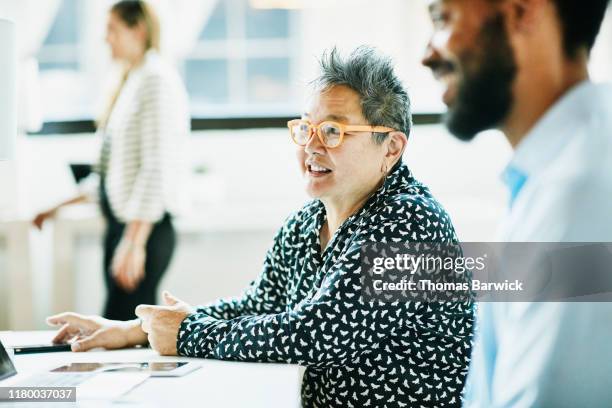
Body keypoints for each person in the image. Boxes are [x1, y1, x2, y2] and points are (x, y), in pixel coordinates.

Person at [47, 47, 474, 407]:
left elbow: (314, 334)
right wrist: (138, 330)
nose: (311, 145)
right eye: (306, 128)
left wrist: (186, 333)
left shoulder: (412, 223)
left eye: (332, 131)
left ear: (391, 147)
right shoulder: (307, 221)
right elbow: (258, 304)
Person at [422, 0, 612, 406]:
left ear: (523, 10)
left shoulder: (576, 197)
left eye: (442, 18)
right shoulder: (554, 174)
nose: (428, 55)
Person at [33, 0, 189, 321]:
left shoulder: (155, 80)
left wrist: (133, 242)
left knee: (122, 331)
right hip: (124, 228)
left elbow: (155, 167)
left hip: (144, 230)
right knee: (117, 327)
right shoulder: (131, 80)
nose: (106, 39)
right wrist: (55, 207)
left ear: (138, 30)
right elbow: (111, 175)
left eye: (112, 30)